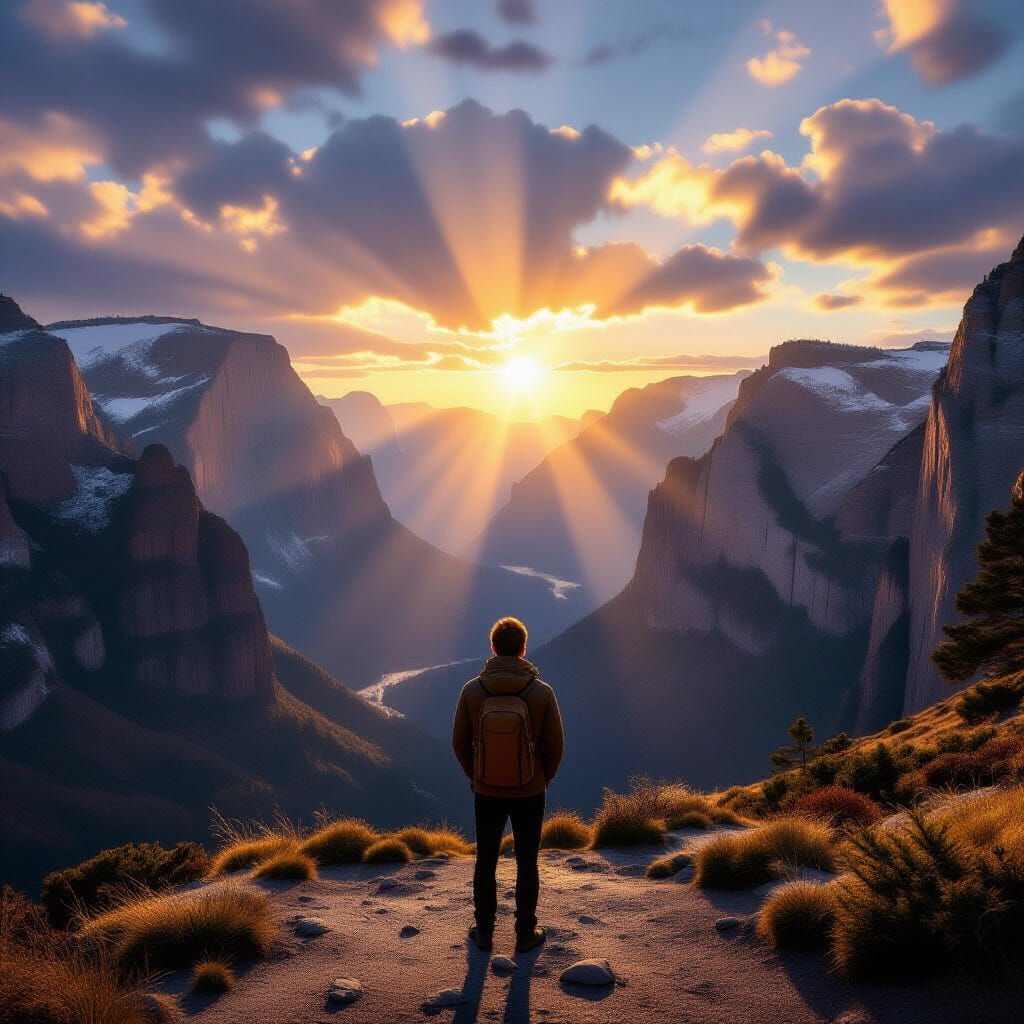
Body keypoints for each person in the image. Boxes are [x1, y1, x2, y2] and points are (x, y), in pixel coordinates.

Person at [451, 616, 564, 954]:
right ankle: (525, 933)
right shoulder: (541, 692)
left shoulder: (473, 690)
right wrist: (540, 778)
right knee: (527, 861)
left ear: (494, 648)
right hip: (530, 791)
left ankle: (484, 932)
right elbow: (556, 746)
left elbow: (458, 742)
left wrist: (476, 774)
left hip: (486, 791)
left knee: (485, 860)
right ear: (523, 648)